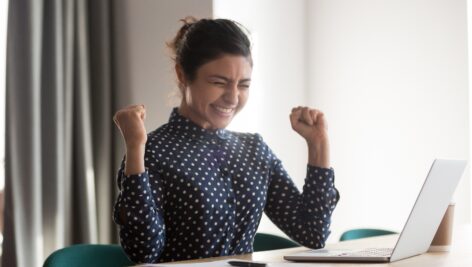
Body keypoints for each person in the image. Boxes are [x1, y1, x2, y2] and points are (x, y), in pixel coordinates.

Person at [113, 17, 339, 263]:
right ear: (182, 74)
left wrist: (318, 144)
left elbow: (313, 233)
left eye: (243, 85)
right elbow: (143, 251)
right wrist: (135, 147)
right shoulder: (153, 151)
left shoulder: (254, 149)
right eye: (219, 83)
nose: (233, 98)